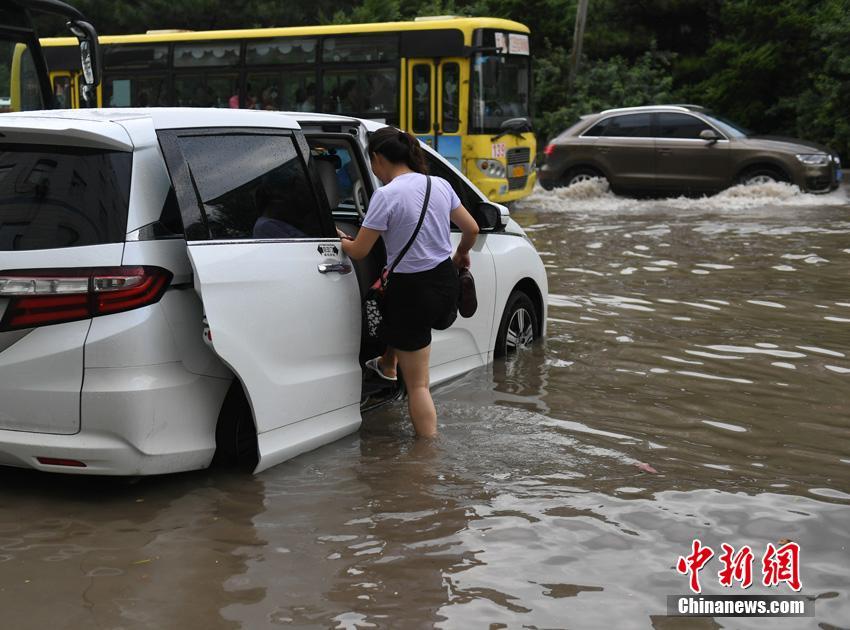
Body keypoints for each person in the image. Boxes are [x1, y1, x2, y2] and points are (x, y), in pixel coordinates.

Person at [338, 128, 479, 438]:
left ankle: (425, 458)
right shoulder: (439, 185)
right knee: (406, 330)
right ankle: (387, 366)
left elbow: (360, 250)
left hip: (411, 290)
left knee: (418, 385)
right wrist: (461, 255)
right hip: (444, 283)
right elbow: (471, 228)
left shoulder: (386, 195)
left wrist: (340, 239)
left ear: (376, 158)